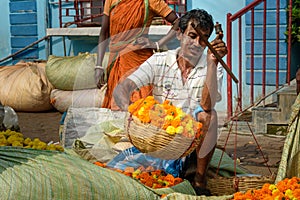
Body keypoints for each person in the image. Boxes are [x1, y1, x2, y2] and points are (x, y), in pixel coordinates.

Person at [112, 9, 227, 195]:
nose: (197, 44)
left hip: (190, 142)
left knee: (209, 116)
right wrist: (133, 113)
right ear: (180, 35)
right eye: (192, 36)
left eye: (204, 39)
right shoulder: (159, 61)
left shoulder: (212, 66)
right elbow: (122, 88)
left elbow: (207, 105)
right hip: (157, 138)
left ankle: (199, 178)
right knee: (122, 175)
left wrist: (213, 63)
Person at [95, 0, 180, 110]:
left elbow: (178, 22)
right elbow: (104, 32)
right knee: (117, 108)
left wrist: (157, 44)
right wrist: (98, 66)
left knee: (140, 109)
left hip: (138, 61)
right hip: (116, 59)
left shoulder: (150, 1)